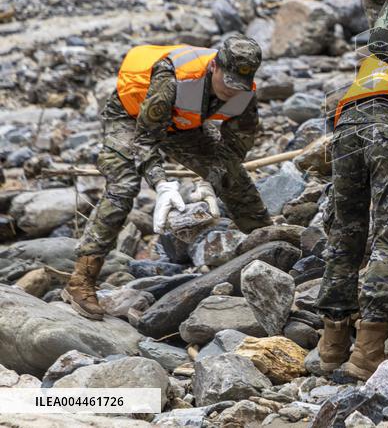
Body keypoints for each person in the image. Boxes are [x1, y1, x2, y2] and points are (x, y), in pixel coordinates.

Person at [63, 35, 269, 320]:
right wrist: (161, 184)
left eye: (240, 85)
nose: (232, 91)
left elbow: (235, 145)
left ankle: (268, 254)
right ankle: (80, 281)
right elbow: (145, 140)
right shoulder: (173, 78)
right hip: (131, 116)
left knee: (234, 179)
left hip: (184, 124)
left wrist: (212, 178)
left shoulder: (243, 93)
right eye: (228, 82)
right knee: (123, 186)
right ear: (215, 68)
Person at [314, 0, 388, 381]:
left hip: (347, 120)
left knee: (346, 231)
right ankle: (369, 346)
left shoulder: (383, 28)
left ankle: (331, 343)